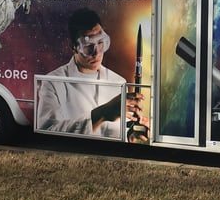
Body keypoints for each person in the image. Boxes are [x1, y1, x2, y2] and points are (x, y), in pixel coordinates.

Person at [36, 8, 147, 140]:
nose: (97, 52)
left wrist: (130, 135)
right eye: (88, 46)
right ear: (73, 47)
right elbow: (47, 131)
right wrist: (102, 114)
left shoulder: (119, 82)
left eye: (100, 43)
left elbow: (117, 134)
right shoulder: (53, 83)